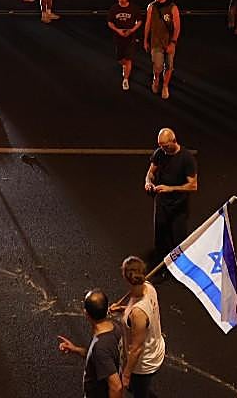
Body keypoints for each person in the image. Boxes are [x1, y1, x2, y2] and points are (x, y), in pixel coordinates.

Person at [110, 257, 165, 397]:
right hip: (155, 347)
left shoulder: (138, 313)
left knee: (139, 392)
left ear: (125, 277)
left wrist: (127, 375)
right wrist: (122, 309)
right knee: (139, 389)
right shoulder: (148, 287)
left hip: (143, 363)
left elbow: (136, 349)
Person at [144, 128, 198, 265]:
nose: (163, 149)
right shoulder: (160, 153)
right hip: (162, 203)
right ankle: (161, 267)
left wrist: (171, 189)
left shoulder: (186, 159)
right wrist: (148, 182)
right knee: (160, 238)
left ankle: (179, 268)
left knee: (178, 239)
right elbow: (150, 172)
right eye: (160, 146)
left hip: (178, 205)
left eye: (166, 146)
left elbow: (193, 185)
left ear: (174, 141)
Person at [56, 289, 123, 398]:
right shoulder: (115, 327)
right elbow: (103, 358)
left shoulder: (100, 347)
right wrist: (75, 349)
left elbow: (116, 387)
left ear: (86, 314)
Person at [144, 0, 180, 100]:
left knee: (169, 66)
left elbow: (177, 26)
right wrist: (145, 40)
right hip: (156, 42)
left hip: (169, 42)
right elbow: (148, 24)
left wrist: (173, 42)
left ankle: (165, 86)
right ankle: (156, 78)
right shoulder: (151, 7)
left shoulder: (173, 7)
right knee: (158, 65)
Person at [108, 0, 143, 90]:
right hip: (118, 37)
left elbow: (139, 21)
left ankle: (126, 79)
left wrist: (132, 30)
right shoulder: (114, 8)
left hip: (130, 36)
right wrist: (117, 30)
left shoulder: (134, 8)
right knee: (120, 59)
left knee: (128, 59)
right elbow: (110, 22)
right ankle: (125, 66)